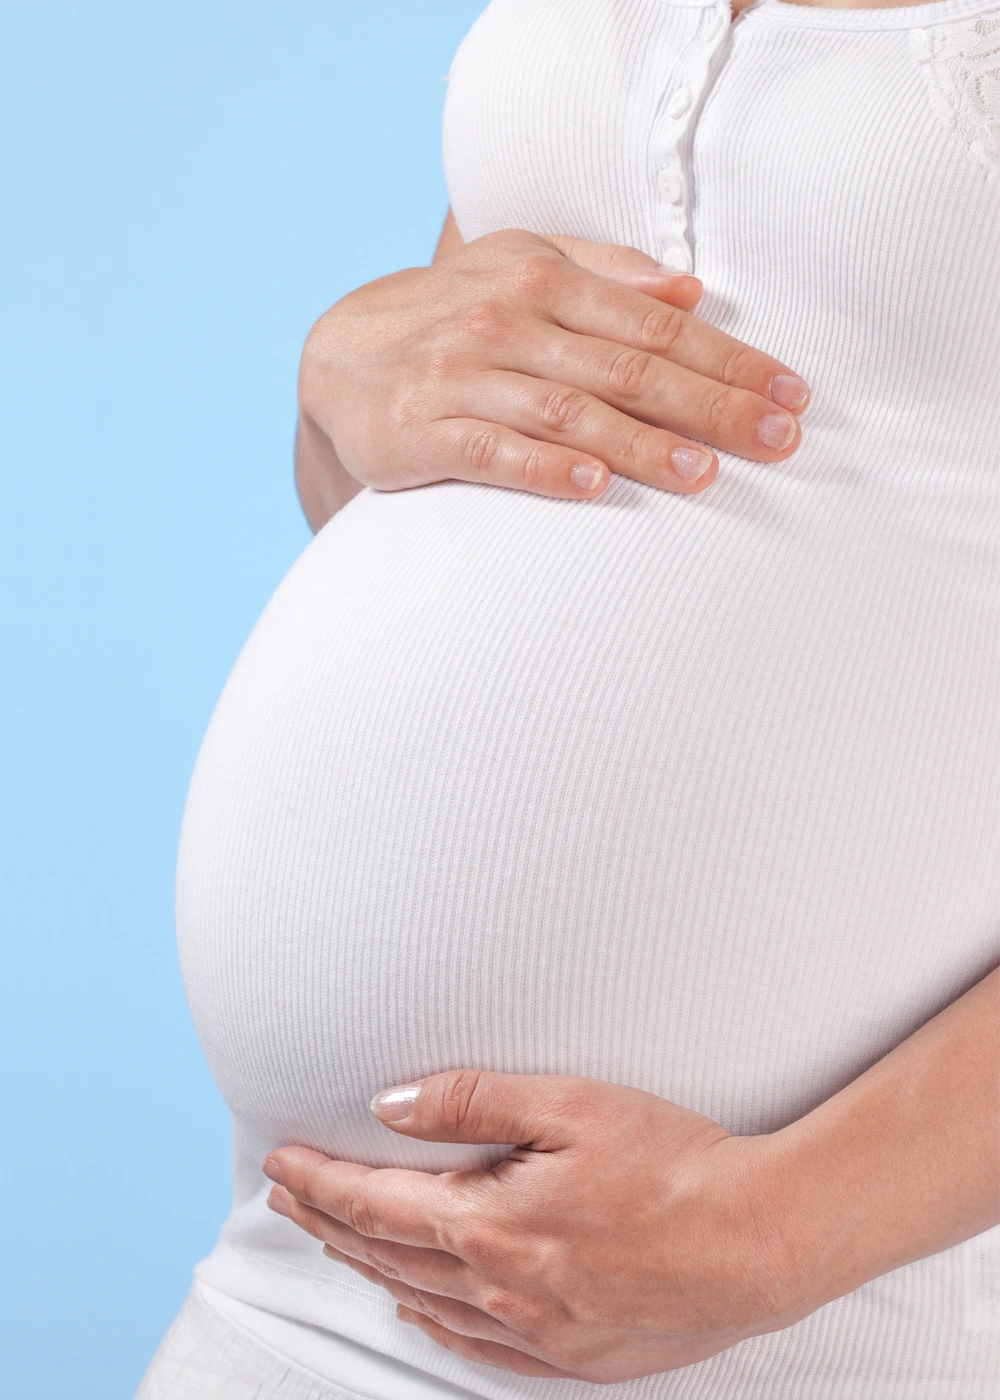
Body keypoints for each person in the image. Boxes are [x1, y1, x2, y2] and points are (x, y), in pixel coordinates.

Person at [135, 0, 1000, 1395]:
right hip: (302, 1283)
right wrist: (339, 389)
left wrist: (782, 1234)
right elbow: (451, 468)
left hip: (797, 1327)